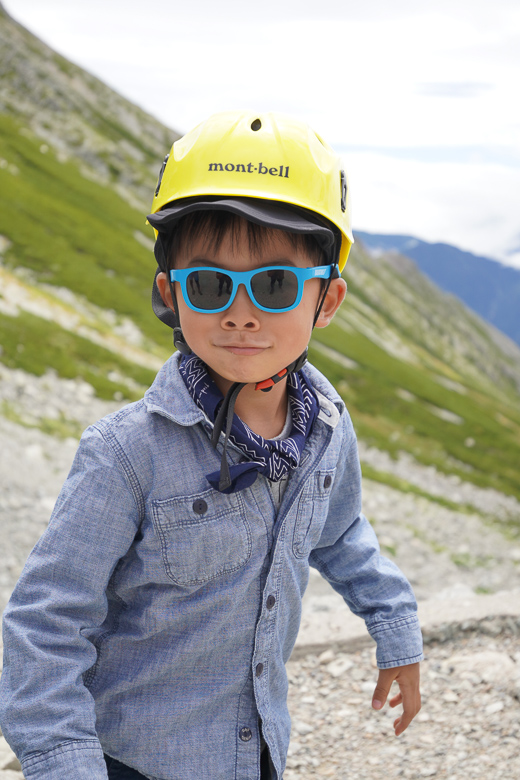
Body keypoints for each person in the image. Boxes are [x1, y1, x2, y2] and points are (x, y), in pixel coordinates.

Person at [0, 111, 422, 780]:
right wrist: (64, 766)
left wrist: (395, 628)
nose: (241, 311)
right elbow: (44, 628)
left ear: (329, 300)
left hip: (253, 756)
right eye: (208, 283)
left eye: (276, 283)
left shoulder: (326, 428)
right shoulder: (126, 453)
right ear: (171, 295)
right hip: (129, 762)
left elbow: (341, 533)